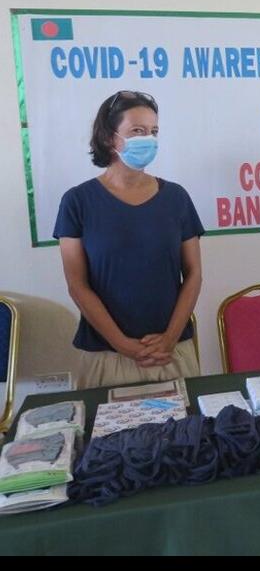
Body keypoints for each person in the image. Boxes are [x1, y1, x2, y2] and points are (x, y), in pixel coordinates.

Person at [55, 91, 203, 388]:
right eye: (137, 130)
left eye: (153, 131)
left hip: (171, 353)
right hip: (106, 356)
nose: (148, 139)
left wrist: (170, 338)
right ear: (109, 137)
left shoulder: (176, 198)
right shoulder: (77, 201)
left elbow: (194, 274)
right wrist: (122, 343)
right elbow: (77, 285)